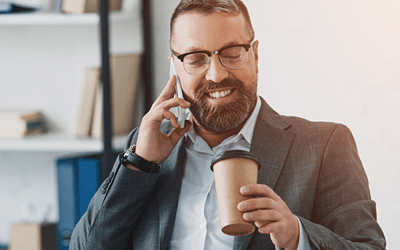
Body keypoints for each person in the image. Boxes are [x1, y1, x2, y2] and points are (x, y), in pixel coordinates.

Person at [70, 0, 386, 249]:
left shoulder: (325, 145)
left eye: (232, 53)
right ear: (176, 69)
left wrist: (296, 236)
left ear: (256, 55)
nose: (216, 74)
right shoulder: (146, 148)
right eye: (195, 58)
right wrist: (139, 163)